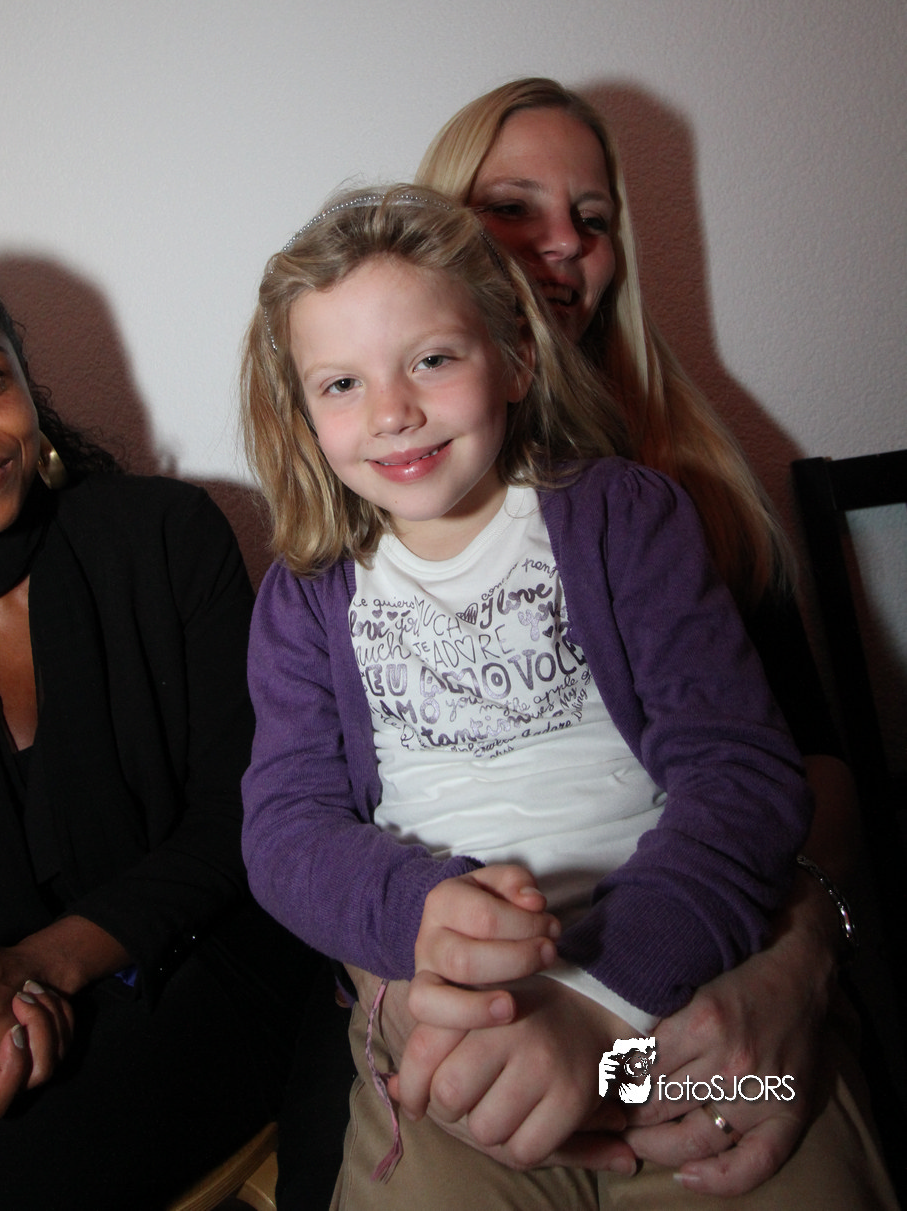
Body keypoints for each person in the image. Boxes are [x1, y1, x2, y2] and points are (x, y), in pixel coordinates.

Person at [239, 185, 821, 1211]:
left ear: (513, 357)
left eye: (431, 359)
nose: (391, 411)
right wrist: (416, 912)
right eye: (341, 383)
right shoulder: (304, 595)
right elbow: (285, 830)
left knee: (780, 1136)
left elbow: (743, 776)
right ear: (301, 412)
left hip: (671, 976)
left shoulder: (623, 517)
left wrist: (601, 1006)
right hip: (451, 1022)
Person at [404, 77, 888, 1196]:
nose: (561, 244)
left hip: (699, 1000)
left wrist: (801, 958)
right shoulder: (370, 513)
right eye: (511, 206)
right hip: (480, 1032)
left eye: (591, 217)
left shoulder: (689, 485)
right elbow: (309, 814)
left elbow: (818, 772)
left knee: (752, 1133)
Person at [0, 247, 311, 1211]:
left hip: (221, 966)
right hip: (18, 1000)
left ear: (25, 381)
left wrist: (40, 965)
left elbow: (238, 819)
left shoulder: (164, 535)